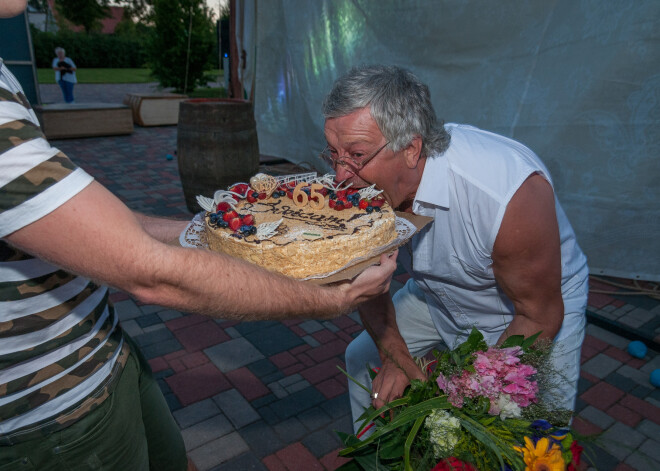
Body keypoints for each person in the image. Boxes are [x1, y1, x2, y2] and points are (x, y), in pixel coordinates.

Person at [0, 3, 397, 470]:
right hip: (49, 408)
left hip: (103, 349)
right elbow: (151, 273)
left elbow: (101, 227)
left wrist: (225, 230)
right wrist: (336, 300)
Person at [320, 65, 589, 433]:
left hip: (532, 307)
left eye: (356, 155)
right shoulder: (361, 184)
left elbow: (538, 315)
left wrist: (465, 392)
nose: (339, 177)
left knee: (532, 431)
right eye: (333, 154)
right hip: (437, 291)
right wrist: (395, 355)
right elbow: (368, 279)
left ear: (412, 149)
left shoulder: (505, 195)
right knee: (361, 359)